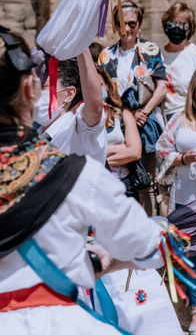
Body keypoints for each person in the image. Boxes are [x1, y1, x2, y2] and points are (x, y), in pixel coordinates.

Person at [0, 26, 171, 334]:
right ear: (30, 89)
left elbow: (93, 105)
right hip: (56, 321)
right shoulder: (74, 174)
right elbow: (148, 245)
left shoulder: (75, 132)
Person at [156, 63, 196, 334]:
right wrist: (182, 158)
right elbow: (161, 148)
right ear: (193, 91)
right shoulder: (178, 119)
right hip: (185, 196)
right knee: (191, 254)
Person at [98, 0, 168, 216]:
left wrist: (145, 111)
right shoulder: (106, 55)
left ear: (139, 24)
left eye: (132, 23)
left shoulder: (149, 50)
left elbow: (162, 86)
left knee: (146, 181)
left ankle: (149, 225)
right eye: (121, 23)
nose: (127, 29)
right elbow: (104, 90)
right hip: (118, 122)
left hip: (145, 122)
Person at [33, 48, 107, 163]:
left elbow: (95, 109)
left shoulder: (78, 128)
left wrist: (81, 45)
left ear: (69, 94)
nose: (35, 94)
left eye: (43, 87)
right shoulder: (33, 135)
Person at [161, 1, 196, 120]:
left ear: (189, 29)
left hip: (189, 117)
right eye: (172, 23)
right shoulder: (157, 55)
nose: (176, 28)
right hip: (162, 120)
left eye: (182, 25)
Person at [98, 66, 142, 194]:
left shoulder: (122, 113)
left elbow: (135, 152)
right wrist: (121, 148)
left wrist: (101, 157)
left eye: (100, 84)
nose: (96, 89)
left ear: (106, 86)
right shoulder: (78, 117)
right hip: (97, 187)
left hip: (124, 186)